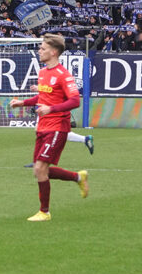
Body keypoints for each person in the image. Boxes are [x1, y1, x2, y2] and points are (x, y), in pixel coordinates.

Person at [9, 33, 89, 222]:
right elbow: (43, 97)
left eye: (43, 48)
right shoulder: (43, 72)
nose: (39, 51)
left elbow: (75, 100)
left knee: (40, 168)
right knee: (39, 170)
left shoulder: (63, 75)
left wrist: (51, 109)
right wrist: (23, 103)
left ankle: (44, 212)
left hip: (57, 126)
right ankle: (79, 177)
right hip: (43, 127)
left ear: (53, 52)